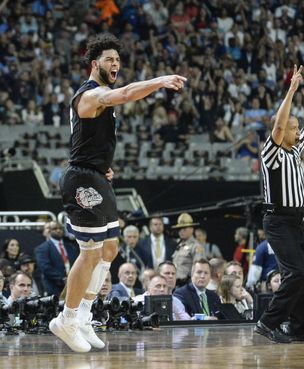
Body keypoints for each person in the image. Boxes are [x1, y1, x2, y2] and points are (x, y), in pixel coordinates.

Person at [49, 33, 186, 353]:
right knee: (91, 250)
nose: (116, 65)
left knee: (110, 248)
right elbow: (124, 94)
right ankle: (66, 318)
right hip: (81, 179)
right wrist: (161, 80)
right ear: (95, 64)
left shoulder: (100, 94)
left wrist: (101, 167)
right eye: (110, 60)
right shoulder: (90, 94)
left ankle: (83, 314)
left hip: (95, 176)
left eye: (118, 61)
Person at [255, 63, 304, 344]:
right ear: (282, 132)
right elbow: (277, 124)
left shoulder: (295, 147)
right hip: (277, 220)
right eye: (293, 127)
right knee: (296, 273)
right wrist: (290, 91)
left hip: (296, 221)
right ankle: (267, 323)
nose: (298, 130)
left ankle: (298, 328)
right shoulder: (271, 153)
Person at [35, 221, 79, 296]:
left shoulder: (71, 247)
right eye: (55, 228)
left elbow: (77, 264)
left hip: (73, 286)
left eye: (60, 228)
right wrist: (62, 279)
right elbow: (45, 268)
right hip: (54, 287)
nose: (58, 230)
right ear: (50, 231)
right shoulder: (42, 248)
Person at [172, 213, 205, 286]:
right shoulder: (179, 246)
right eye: (179, 229)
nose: (181, 231)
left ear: (192, 229)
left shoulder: (196, 246)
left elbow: (198, 269)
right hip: (176, 284)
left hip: (188, 284)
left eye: (184, 228)